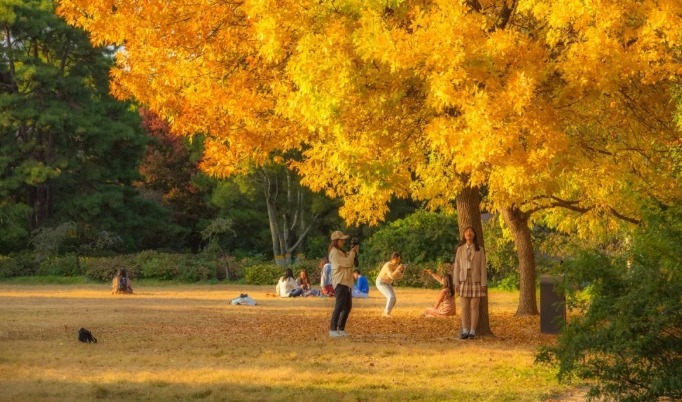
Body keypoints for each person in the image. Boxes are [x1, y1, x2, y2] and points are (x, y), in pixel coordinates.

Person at [453, 226, 487, 339]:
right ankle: (465, 330)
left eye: (471, 231)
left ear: (474, 235)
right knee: (464, 307)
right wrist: (456, 282)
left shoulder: (480, 249)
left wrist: (483, 283)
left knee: (474, 307)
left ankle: (472, 331)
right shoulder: (460, 249)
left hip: (476, 280)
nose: (468, 233)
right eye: (466, 232)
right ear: (464, 235)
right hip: (463, 279)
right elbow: (457, 266)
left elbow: (483, 267)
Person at [328, 230, 358, 337]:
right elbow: (348, 262)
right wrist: (353, 253)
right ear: (337, 241)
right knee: (339, 306)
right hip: (341, 282)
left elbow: (349, 259)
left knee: (347, 307)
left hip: (346, 282)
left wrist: (353, 251)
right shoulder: (335, 253)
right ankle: (332, 329)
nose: (344, 242)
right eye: (342, 240)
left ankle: (340, 328)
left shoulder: (340, 251)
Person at [375, 252, 406, 317]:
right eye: (397, 259)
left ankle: (387, 313)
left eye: (399, 259)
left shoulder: (396, 266)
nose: (399, 261)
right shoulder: (387, 265)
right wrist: (398, 269)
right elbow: (391, 276)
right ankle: (386, 313)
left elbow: (399, 277)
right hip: (381, 283)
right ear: (393, 259)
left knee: (393, 299)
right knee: (391, 297)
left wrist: (402, 270)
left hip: (387, 283)